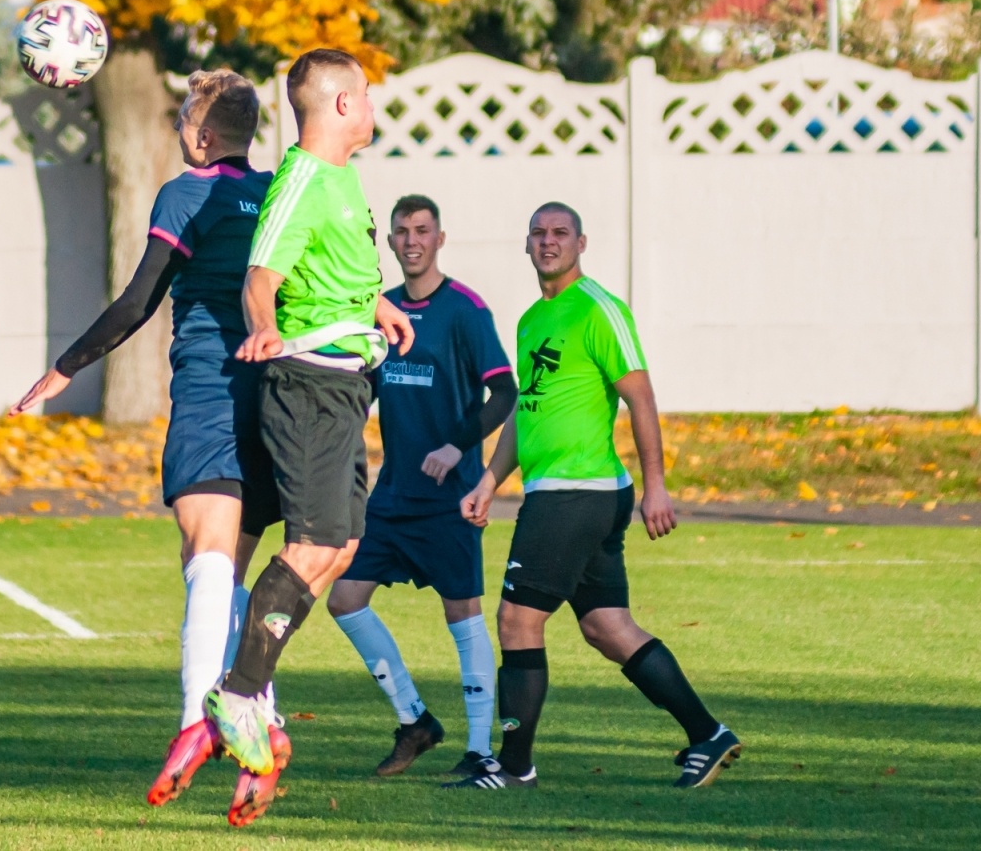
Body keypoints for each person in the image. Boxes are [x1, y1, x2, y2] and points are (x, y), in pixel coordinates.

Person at [9, 69, 289, 826]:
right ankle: (262, 726)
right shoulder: (278, 191)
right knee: (237, 574)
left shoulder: (186, 193)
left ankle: (201, 717)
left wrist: (63, 369)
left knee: (207, 558)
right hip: (281, 396)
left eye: (181, 128)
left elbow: (140, 300)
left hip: (211, 388)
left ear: (201, 137)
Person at [452, 201, 742, 791]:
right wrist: (488, 480)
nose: (549, 241)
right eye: (539, 233)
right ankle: (707, 734)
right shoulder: (534, 319)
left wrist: (657, 486)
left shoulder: (599, 310)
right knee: (607, 626)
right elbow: (526, 415)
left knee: (515, 621)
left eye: (560, 233)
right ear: (526, 244)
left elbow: (641, 397)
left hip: (574, 495)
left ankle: (513, 768)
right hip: (566, 493)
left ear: (581, 243)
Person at [204, 48, 415, 792]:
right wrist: (261, 325)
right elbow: (262, 275)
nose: (372, 103)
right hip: (307, 387)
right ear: (341, 106)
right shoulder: (300, 180)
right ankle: (239, 692)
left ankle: (249, 690)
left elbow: (337, 271)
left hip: (347, 389)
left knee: (342, 545)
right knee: (313, 543)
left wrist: (378, 306)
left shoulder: (343, 179)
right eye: (365, 92)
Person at [325, 194, 515, 783]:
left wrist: (458, 446)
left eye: (422, 231)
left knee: (463, 616)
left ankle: (480, 749)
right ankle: (415, 721)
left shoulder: (465, 310)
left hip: (451, 498)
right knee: (344, 599)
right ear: (389, 243)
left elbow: (505, 393)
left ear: (439, 238)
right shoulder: (380, 314)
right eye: (401, 231)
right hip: (392, 497)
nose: (411, 241)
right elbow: (363, 389)